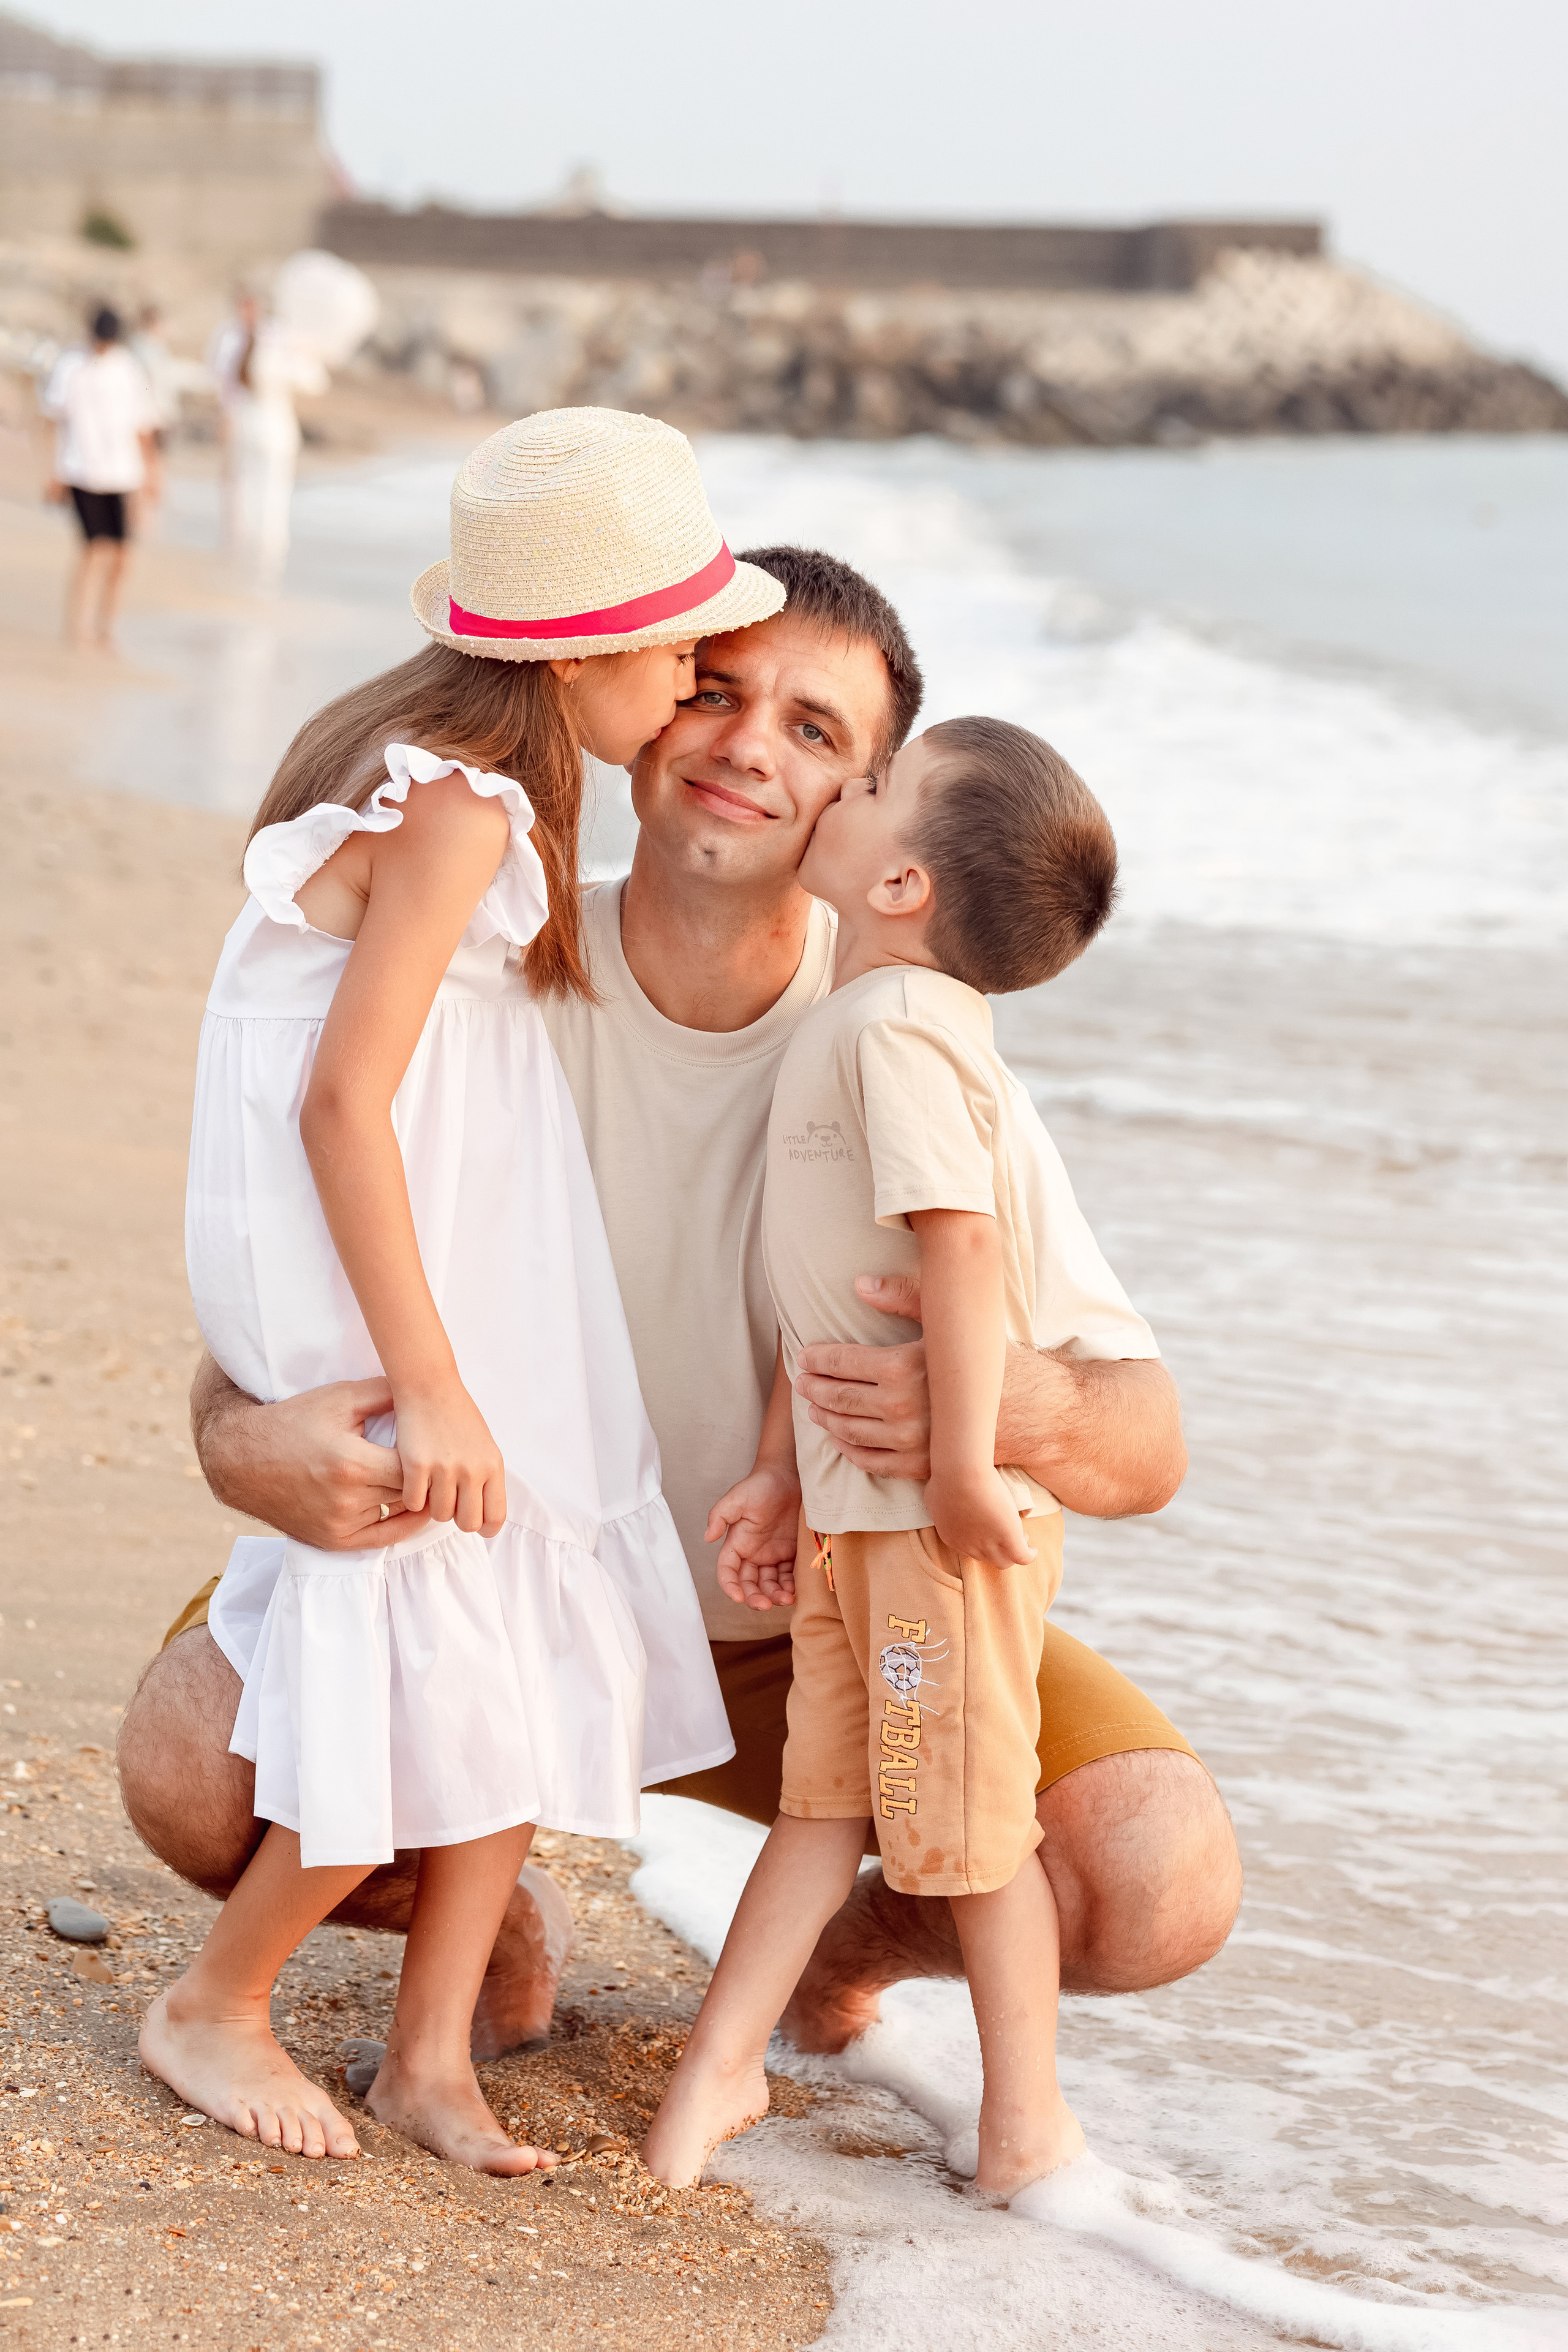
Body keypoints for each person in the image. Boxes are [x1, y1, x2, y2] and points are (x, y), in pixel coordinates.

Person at [118, 546, 1242, 2075]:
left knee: (1153, 1881)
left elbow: (1149, 1439)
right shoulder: (478, 948)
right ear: (639, 703)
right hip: (495, 1591)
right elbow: (274, 1296)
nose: (744, 746)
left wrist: (1001, 1405)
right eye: (713, 690)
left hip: (817, 1627)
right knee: (191, 1775)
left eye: (815, 732)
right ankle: (493, 1905)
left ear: (871, 809)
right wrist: (242, 1442)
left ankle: (846, 1944)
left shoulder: (910, 1044)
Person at [139, 409, 778, 2169]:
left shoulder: (461, 789)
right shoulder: (459, 809)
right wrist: (431, 1378)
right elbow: (343, 1098)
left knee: (511, 1641)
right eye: (682, 656)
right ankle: (217, 2000)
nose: (695, 686)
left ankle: (429, 2061)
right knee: (415, 1649)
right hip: (396, 1292)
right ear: (583, 658)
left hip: (473, 1265)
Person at [646, 717, 1118, 2194]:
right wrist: (788, 1470)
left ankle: (1027, 2125)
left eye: (862, 785)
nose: (832, 789)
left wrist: (969, 1467)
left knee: (965, 1827)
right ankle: (719, 2068)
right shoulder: (856, 1025)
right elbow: (830, 1293)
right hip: (865, 1519)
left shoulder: (899, 1030)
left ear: (899, 878)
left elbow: (957, 1248)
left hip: (934, 1527)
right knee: (822, 1801)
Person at [42, 306, 158, 653]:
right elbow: (54, 420)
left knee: (122, 554)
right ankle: (77, 626)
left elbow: (143, 423)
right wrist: (52, 472)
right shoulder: (70, 365)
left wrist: (151, 473)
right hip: (80, 471)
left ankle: (106, 625)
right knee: (93, 549)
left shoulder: (128, 369)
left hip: (123, 474)